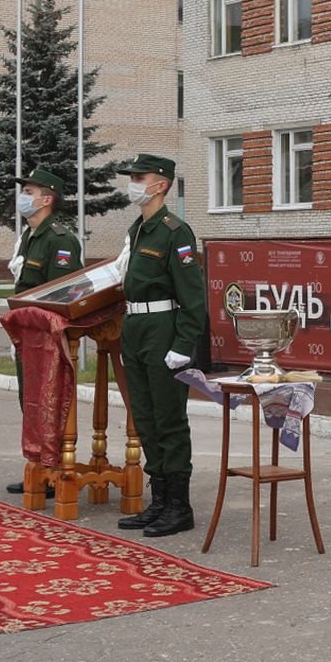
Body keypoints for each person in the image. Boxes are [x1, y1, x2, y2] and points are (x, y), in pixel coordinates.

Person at [113, 154, 208, 538]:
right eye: (132, 177)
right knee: (146, 419)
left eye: (140, 177)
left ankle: (179, 506)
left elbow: (194, 296)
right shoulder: (139, 229)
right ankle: (159, 501)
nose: (133, 183)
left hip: (163, 329)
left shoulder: (175, 232)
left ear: (161, 184)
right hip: (135, 326)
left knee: (169, 419)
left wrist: (184, 343)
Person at [4, 168, 82, 496]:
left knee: (50, 404)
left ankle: (55, 470)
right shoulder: (29, 236)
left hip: (47, 339)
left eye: (30, 192)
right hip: (27, 336)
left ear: (47, 199)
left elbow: (65, 293)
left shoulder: (60, 240)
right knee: (30, 402)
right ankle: (38, 467)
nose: (23, 197)